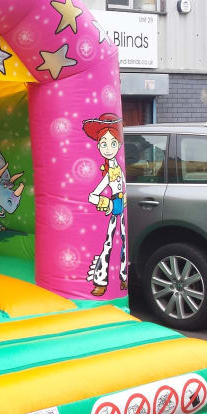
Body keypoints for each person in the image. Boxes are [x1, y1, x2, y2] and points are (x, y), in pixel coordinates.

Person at [82, 113, 127, 297]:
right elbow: (93, 195)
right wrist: (107, 203)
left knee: (123, 243)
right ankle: (100, 281)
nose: (108, 148)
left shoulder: (118, 168)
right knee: (108, 244)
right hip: (114, 208)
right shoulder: (108, 172)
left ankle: (123, 277)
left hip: (121, 207)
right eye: (104, 144)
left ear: (119, 145)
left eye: (113, 143)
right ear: (99, 146)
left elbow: (124, 186)